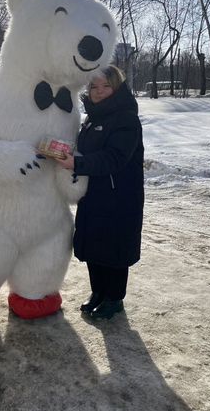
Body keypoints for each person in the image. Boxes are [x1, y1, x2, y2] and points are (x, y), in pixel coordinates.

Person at [55, 65, 144, 320]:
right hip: (94, 193)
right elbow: (87, 151)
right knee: (94, 245)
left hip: (119, 197)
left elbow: (115, 158)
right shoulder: (93, 118)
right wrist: (64, 151)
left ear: (117, 88)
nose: (99, 92)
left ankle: (114, 299)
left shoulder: (126, 118)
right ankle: (98, 293)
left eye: (106, 86)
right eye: (95, 87)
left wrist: (77, 163)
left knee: (114, 249)